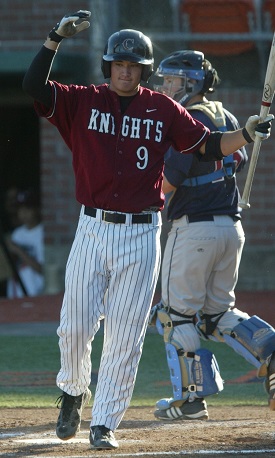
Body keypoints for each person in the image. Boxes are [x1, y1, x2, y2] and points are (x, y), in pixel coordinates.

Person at [22, 10, 273, 450]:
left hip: (141, 233)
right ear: (108, 67)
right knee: (74, 327)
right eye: (119, 64)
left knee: (125, 333)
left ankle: (105, 423)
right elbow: (33, 89)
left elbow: (207, 146)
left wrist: (246, 133)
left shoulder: (163, 108)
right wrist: (53, 39)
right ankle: (74, 390)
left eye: (134, 66)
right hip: (92, 228)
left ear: (143, 71)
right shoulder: (84, 100)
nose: (125, 71)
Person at [149, 50, 275, 422]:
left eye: (173, 81)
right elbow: (238, 159)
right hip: (231, 229)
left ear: (192, 84)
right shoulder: (228, 115)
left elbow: (169, 181)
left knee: (175, 317)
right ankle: (269, 347)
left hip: (194, 230)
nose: (166, 87)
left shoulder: (187, 119)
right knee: (217, 315)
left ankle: (190, 400)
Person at [6, 189, 44, 298]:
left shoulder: (43, 233)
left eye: (28, 209)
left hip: (36, 291)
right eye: (20, 209)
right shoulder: (17, 234)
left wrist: (18, 250)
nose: (23, 213)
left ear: (37, 209)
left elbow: (42, 270)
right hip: (16, 292)